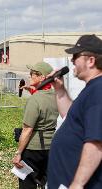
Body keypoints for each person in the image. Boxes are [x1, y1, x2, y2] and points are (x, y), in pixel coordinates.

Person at [47, 34, 102, 189]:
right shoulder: (92, 89)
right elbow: (69, 116)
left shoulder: (98, 90)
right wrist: (60, 90)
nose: (72, 61)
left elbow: (95, 143)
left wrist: (77, 184)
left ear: (91, 60)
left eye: (76, 56)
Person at [12, 62, 59, 189]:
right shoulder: (56, 95)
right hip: (50, 146)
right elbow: (44, 101)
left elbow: (27, 130)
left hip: (33, 148)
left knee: (28, 183)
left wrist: (18, 153)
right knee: (45, 182)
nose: (30, 76)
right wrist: (31, 90)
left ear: (42, 77)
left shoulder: (34, 100)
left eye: (32, 74)